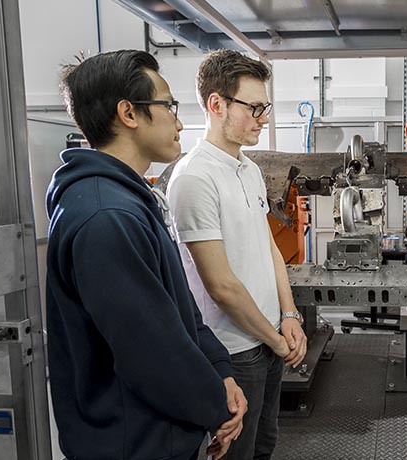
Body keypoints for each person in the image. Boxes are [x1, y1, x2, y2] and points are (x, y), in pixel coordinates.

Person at [46, 49, 245, 460]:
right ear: (129, 114)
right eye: (168, 105)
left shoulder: (129, 200)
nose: (179, 120)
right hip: (132, 443)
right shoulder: (105, 216)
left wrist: (221, 371)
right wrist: (216, 408)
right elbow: (152, 351)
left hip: (160, 433)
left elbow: (181, 309)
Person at [167, 49, 308, 460]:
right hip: (233, 351)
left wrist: (289, 316)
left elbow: (269, 249)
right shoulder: (194, 177)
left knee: (264, 447)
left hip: (269, 339)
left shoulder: (248, 169)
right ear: (217, 104)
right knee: (237, 453)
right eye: (256, 107)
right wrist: (278, 342)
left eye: (266, 106)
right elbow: (221, 287)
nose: (264, 117)